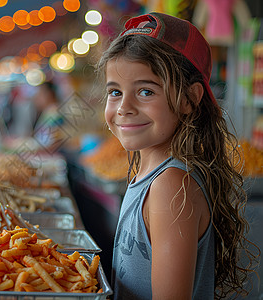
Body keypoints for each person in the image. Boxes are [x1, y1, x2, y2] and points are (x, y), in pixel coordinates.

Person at [97, 12, 259, 299]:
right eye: (115, 92)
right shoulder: (151, 177)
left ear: (189, 99)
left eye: (146, 91)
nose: (124, 107)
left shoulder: (171, 187)